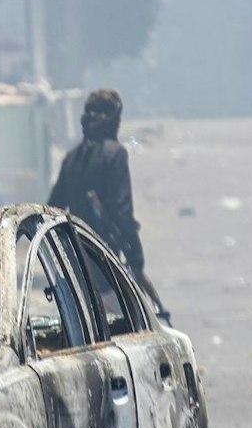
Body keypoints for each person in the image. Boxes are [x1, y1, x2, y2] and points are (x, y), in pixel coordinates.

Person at [48, 88, 165, 316]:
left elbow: (53, 208)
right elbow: (122, 212)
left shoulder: (71, 160)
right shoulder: (116, 155)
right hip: (106, 266)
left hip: (76, 266)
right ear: (114, 120)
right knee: (139, 323)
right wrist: (136, 260)